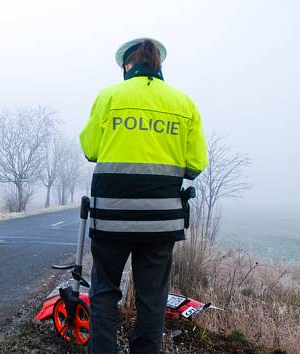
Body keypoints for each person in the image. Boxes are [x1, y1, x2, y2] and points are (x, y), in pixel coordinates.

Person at [79, 38, 208, 353]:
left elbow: (91, 149)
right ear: (159, 65)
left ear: (127, 65)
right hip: (160, 222)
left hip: (111, 218)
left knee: (104, 292)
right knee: (152, 298)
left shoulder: (109, 97)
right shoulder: (184, 104)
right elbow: (196, 164)